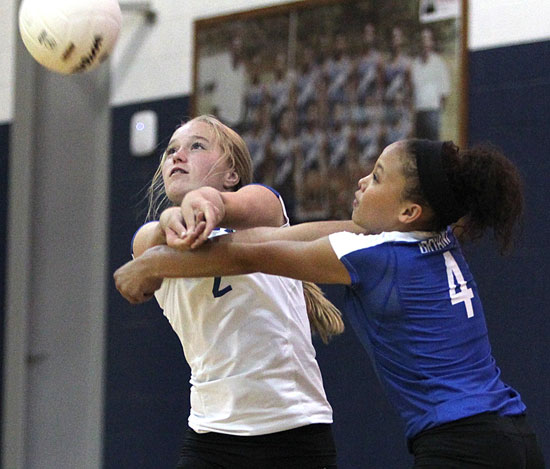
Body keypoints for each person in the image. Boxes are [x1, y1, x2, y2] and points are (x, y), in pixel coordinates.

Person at [115, 138, 546, 468]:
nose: (361, 181)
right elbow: (272, 239)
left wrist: (148, 266)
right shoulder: (437, 238)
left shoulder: (375, 257)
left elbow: (247, 253)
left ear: (409, 211)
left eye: (376, 177)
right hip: (514, 433)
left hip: (462, 444)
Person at [124, 114, 363, 468]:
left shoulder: (265, 209)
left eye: (196, 146)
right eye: (172, 149)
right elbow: (150, 244)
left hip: (292, 430)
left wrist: (205, 203)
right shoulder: (151, 242)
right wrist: (167, 223)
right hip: (210, 437)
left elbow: (233, 204)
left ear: (231, 175)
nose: (177, 155)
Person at [411, 28, 451, 140]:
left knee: (433, 149)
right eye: (422, 40)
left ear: (432, 42)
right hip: (419, 113)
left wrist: (437, 111)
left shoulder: (439, 63)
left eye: (427, 39)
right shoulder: (415, 64)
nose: (424, 43)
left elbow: (445, 92)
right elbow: (412, 90)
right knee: (419, 150)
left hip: (433, 112)